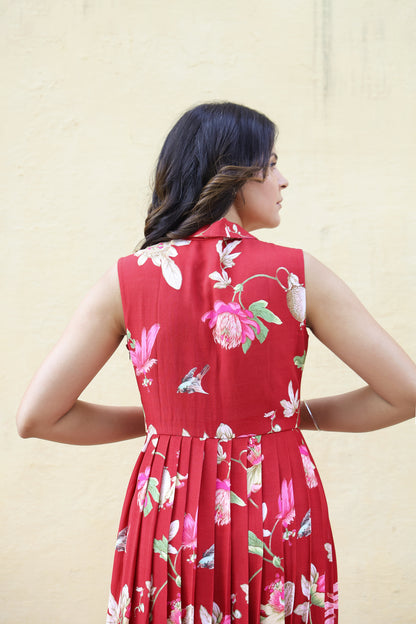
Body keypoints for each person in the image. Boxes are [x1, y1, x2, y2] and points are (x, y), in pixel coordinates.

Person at [16, 102, 416, 623]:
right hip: (277, 508)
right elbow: (405, 392)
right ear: (237, 173)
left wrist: (166, 423)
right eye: (272, 163)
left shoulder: (127, 279)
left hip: (168, 512)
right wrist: (290, 417)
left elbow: (37, 418)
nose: (283, 180)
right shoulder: (297, 273)